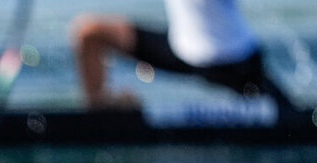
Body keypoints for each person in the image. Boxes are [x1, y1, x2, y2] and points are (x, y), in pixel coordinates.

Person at [70, 0, 291, 108]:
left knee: (289, 115)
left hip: (232, 59)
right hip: (181, 47)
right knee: (89, 33)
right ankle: (100, 109)